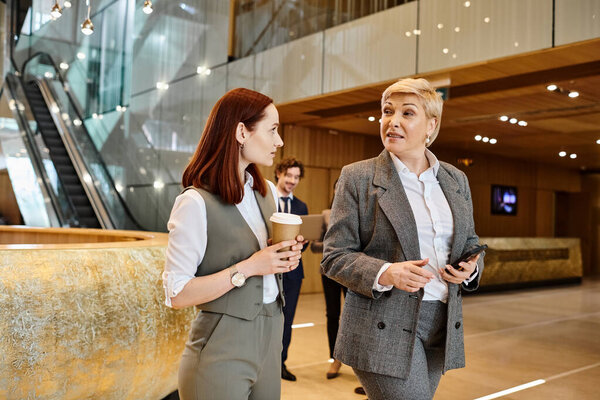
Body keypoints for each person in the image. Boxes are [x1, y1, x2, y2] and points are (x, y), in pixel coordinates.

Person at [321, 78, 484, 400]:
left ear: (431, 125)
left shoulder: (456, 179)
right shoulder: (358, 177)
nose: (392, 122)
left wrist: (471, 269)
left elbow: (471, 240)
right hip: (381, 324)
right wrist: (386, 272)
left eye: (407, 113)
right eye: (387, 111)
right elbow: (334, 255)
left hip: (442, 320)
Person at [162, 88, 305, 400]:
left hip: (271, 339)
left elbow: (269, 265)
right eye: (273, 130)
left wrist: (284, 258)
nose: (279, 142)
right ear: (242, 132)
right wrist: (250, 267)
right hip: (220, 348)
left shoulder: (267, 191)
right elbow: (177, 293)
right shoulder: (194, 203)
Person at [274, 157, 308, 381]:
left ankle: (281, 364)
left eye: (296, 177)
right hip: (268, 269)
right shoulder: (266, 200)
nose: (292, 181)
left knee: (287, 320)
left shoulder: (301, 206)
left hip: (294, 273)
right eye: (289, 175)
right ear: (279, 173)